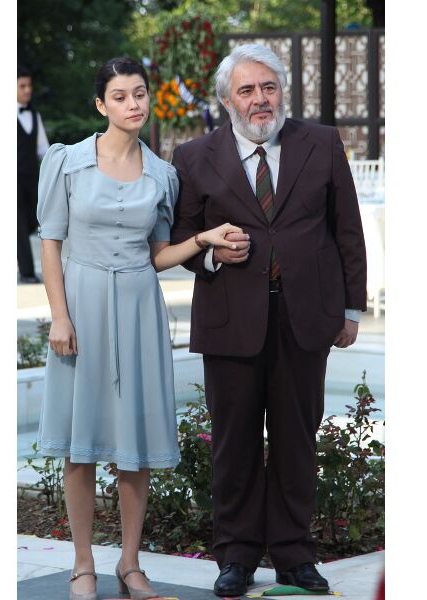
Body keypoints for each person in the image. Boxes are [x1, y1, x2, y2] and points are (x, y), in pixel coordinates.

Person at [36, 57, 246, 600]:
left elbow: (157, 255)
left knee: (136, 441)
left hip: (138, 308)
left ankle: (130, 564)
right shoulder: (66, 163)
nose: (133, 104)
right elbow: (51, 244)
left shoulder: (162, 175)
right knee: (80, 444)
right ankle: (83, 564)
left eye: (140, 94)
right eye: (120, 96)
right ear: (101, 105)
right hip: (81, 305)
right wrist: (60, 315)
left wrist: (203, 240)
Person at [171, 44, 367, 597]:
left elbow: (347, 229)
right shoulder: (193, 156)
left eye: (269, 87)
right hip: (230, 318)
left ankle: (293, 555)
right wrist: (211, 253)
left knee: (295, 441)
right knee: (232, 444)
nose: (260, 99)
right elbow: (180, 239)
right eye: (247, 90)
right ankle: (235, 557)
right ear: (226, 100)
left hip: (305, 317)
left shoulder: (321, 143)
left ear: (282, 91)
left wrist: (351, 309)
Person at [18, 65, 49, 283]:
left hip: (31, 179)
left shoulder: (34, 115)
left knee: (33, 220)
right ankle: (27, 272)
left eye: (29, 85)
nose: (27, 90)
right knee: (18, 225)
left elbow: (43, 149)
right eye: (22, 86)